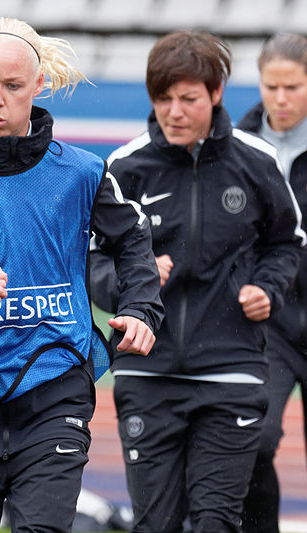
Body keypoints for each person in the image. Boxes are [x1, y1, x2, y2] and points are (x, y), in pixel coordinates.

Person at [0, 17, 163, 533]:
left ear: (39, 85)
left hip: (57, 387)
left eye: (12, 86)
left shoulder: (83, 172)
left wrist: (140, 308)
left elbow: (132, 237)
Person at [89, 30, 305, 533]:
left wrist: (267, 289)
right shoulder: (124, 168)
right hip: (147, 376)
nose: (175, 112)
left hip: (230, 373)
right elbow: (94, 262)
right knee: (155, 524)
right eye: (163, 99)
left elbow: (286, 242)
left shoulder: (256, 161)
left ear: (215, 94)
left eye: (188, 99)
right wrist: (130, 284)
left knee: (215, 522)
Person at [237, 33, 307, 533]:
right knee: (255, 439)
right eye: (271, 86)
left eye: (294, 87)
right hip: (271, 324)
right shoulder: (239, 144)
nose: (280, 99)